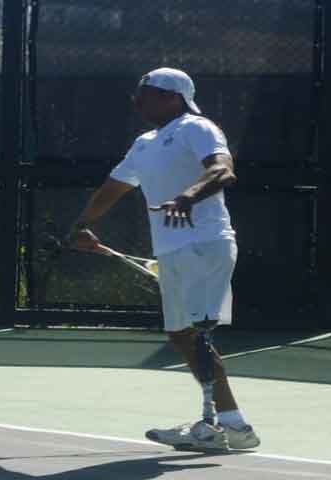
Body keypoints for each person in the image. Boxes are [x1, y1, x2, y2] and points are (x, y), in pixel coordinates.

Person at [65, 67, 260, 451]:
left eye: (147, 92)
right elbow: (112, 189)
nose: (137, 100)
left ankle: (218, 426)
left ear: (173, 96)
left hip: (205, 242)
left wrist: (187, 197)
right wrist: (80, 227)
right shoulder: (144, 144)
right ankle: (231, 424)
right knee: (182, 334)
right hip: (172, 250)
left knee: (199, 332)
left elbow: (223, 170)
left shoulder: (197, 127)